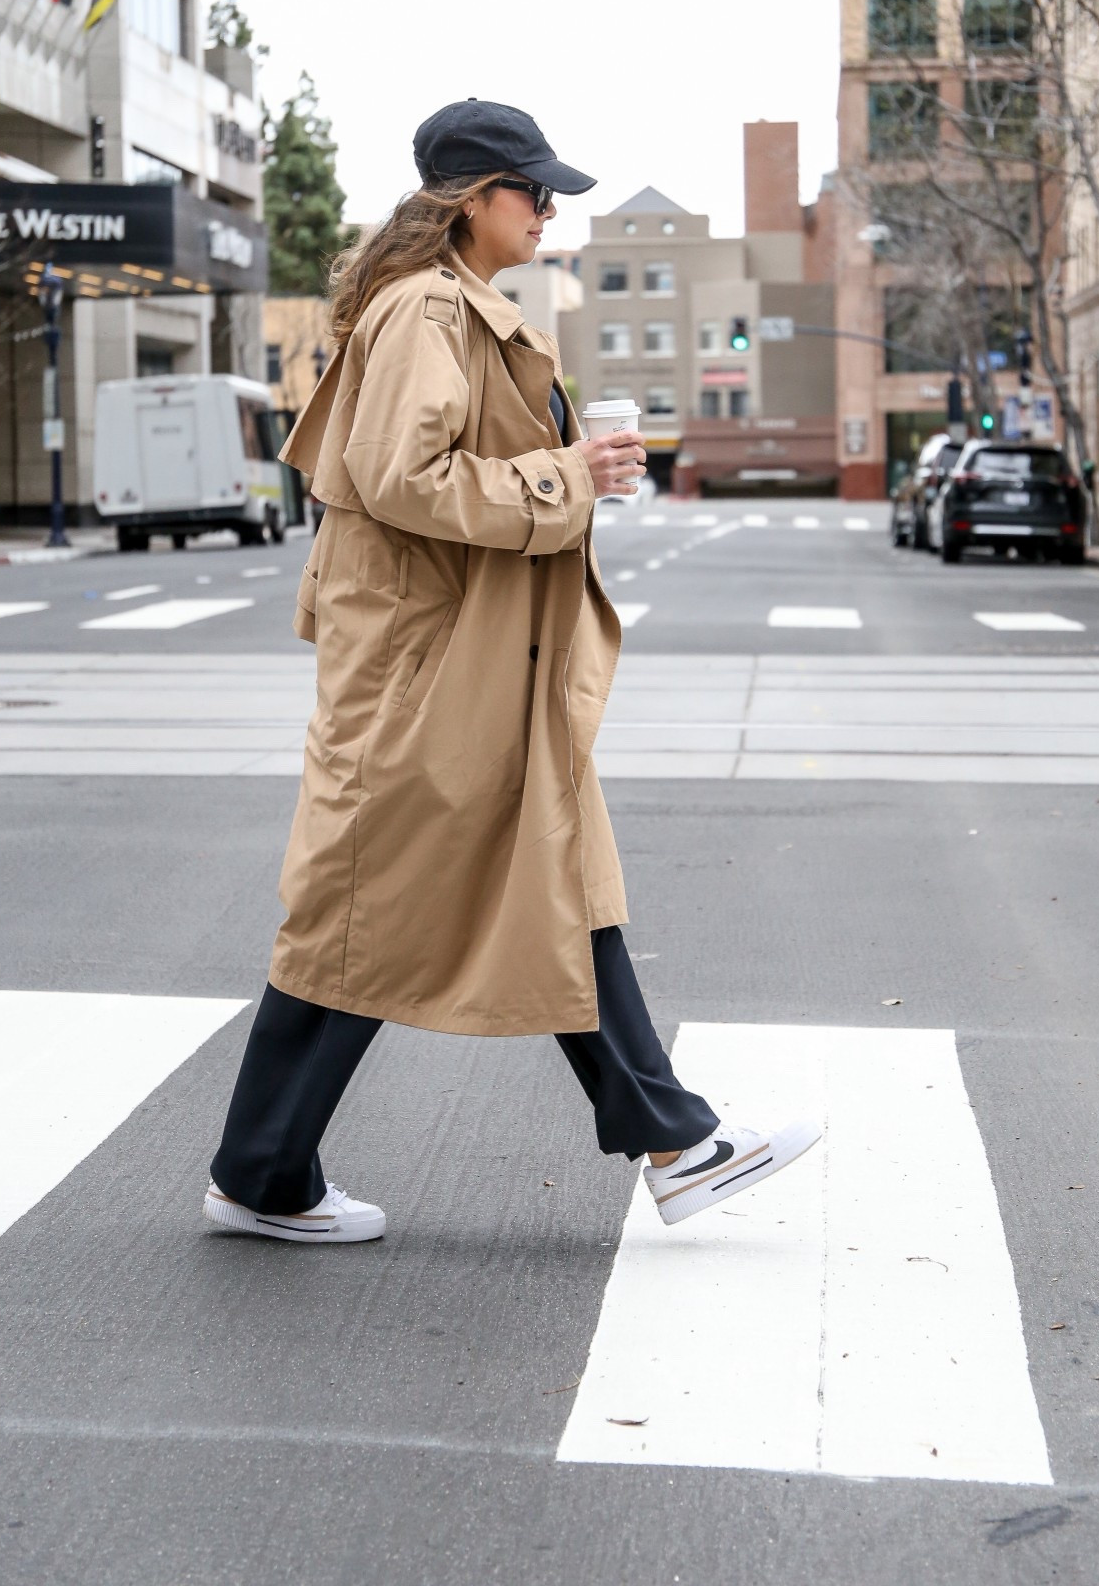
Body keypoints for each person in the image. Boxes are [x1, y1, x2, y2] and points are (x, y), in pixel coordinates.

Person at [204, 100, 820, 1243]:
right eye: (532, 191)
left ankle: (674, 1140)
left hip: (468, 656)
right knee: (364, 908)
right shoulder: (428, 309)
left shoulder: (451, 310)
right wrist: (565, 476)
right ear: (470, 196)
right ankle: (261, 1170)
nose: (547, 211)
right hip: (431, 670)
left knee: (542, 872)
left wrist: (574, 472)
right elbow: (404, 477)